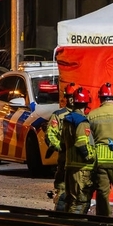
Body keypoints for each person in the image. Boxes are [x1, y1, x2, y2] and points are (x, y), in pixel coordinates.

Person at [87, 83, 113, 217]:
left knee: (102, 195)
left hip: (100, 160)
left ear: (100, 98)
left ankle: (103, 222)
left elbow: (88, 140)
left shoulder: (92, 115)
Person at [61, 87, 96, 214]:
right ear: (86, 103)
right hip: (81, 168)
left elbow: (62, 141)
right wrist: (90, 157)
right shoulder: (82, 121)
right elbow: (81, 143)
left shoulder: (67, 119)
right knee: (81, 202)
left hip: (70, 165)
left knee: (71, 201)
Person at [45, 83, 78, 211]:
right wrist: (61, 147)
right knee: (62, 190)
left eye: (73, 96)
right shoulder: (58, 115)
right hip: (64, 160)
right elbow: (50, 135)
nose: (71, 99)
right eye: (69, 96)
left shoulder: (85, 116)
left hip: (79, 162)